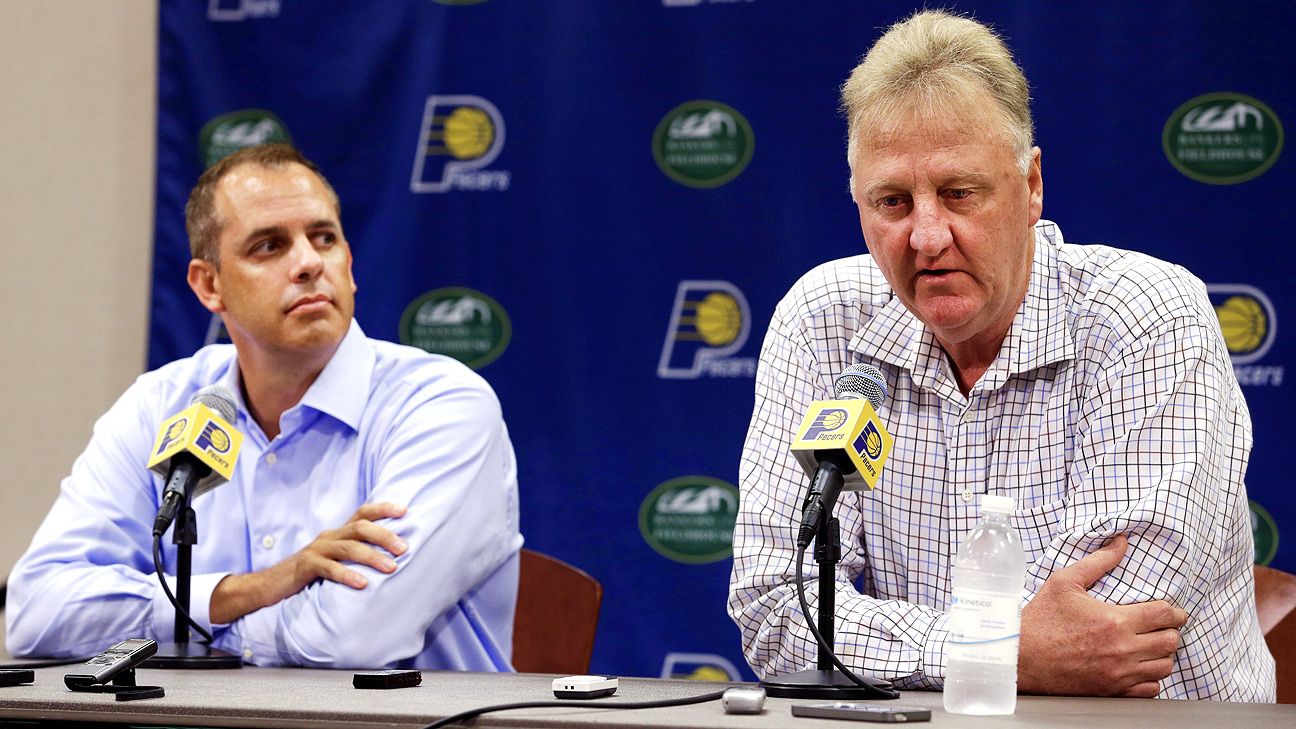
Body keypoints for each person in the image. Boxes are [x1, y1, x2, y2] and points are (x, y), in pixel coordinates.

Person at [727, 10, 1274, 701]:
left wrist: (953, 648)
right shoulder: (823, 320)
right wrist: (1002, 649)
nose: (927, 236)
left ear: (1031, 186)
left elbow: (1109, 632)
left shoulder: (1145, 316)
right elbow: (777, 609)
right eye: (892, 201)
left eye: (959, 193)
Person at [6, 144, 523, 670]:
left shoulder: (440, 406)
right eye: (270, 246)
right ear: (209, 285)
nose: (309, 263)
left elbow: (349, 641)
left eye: (324, 238)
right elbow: (35, 612)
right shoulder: (161, 406)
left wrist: (196, 629)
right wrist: (252, 589)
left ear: (349, 263)